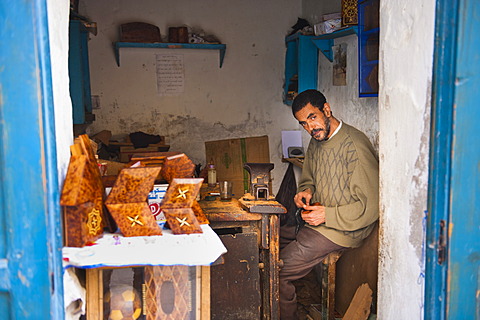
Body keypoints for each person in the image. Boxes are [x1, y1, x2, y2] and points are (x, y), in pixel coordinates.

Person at [279, 90, 379, 319]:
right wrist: (305, 191)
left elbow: (371, 207)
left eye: (312, 117)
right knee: (271, 240)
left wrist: (327, 216)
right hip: (318, 222)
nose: (309, 127)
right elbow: (309, 178)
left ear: (326, 109)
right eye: (303, 123)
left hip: (344, 229)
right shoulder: (317, 140)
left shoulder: (354, 146)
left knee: (279, 271)